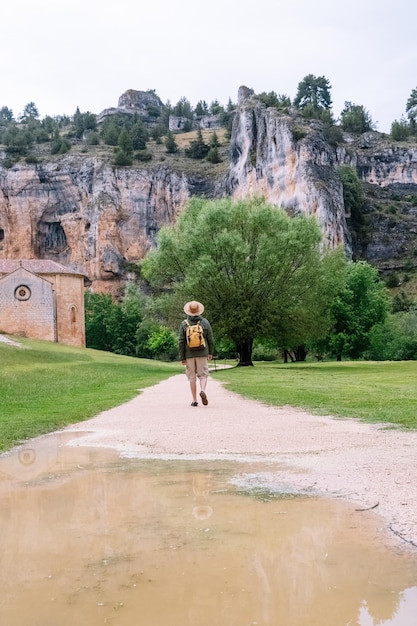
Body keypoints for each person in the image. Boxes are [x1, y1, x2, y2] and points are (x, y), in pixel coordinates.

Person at [179, 300, 215, 407]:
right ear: (199, 311)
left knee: (192, 377)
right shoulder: (205, 322)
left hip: (189, 354)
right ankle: (203, 390)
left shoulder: (184, 324)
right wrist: (210, 353)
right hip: (202, 353)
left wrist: (182, 357)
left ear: (188, 312)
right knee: (203, 375)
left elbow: (181, 342)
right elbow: (211, 339)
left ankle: (194, 400)